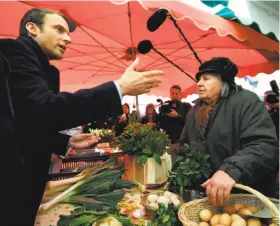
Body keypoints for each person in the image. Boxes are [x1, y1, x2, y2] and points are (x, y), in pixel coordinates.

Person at [0, 8, 163, 225]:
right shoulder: (14, 51)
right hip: (11, 180)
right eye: (58, 29)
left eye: (68, 32)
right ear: (32, 28)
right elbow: (43, 109)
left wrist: (64, 141)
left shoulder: (40, 65)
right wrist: (118, 89)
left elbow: (26, 122)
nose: (67, 38)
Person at [180, 57, 279, 206]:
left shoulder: (246, 102)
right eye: (199, 79)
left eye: (206, 79)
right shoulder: (194, 111)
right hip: (210, 198)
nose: (199, 83)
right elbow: (185, 144)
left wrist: (230, 171)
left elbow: (265, 145)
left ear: (224, 81)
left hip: (246, 197)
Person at [159, 85, 191, 163]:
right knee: (171, 166)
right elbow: (161, 124)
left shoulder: (186, 106)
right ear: (170, 94)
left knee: (184, 165)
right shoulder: (166, 107)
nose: (174, 95)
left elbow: (190, 122)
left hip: (183, 142)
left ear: (180, 94)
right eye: (172, 93)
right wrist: (163, 114)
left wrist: (178, 116)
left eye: (177, 93)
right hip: (170, 142)